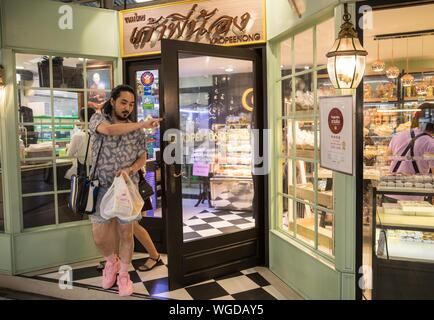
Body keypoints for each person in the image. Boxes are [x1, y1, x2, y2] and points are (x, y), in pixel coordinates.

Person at [89, 84, 162, 296]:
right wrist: (142, 124)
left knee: (126, 234)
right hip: (100, 186)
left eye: (131, 104)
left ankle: (123, 275)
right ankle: (111, 262)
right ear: (112, 101)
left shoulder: (137, 131)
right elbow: (110, 131)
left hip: (126, 190)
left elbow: (142, 157)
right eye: (123, 102)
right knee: (100, 236)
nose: (127, 108)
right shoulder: (98, 119)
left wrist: (130, 168)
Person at [385, 103, 434, 202]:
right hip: (413, 196)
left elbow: (387, 157)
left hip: (390, 191)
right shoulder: (430, 143)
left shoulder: (399, 135)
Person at [64, 107, 96, 180]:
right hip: (98, 172)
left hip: (84, 172)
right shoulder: (100, 134)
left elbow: (69, 155)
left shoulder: (78, 135)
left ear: (81, 119)